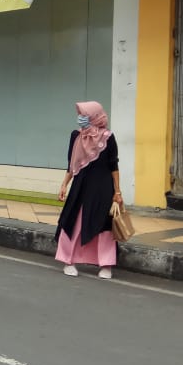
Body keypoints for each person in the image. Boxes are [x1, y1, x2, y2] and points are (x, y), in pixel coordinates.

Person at [55, 101, 121, 279]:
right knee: (73, 221)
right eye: (80, 115)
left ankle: (106, 264)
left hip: (103, 188)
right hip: (80, 186)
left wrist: (117, 192)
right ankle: (68, 261)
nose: (81, 118)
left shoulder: (108, 137)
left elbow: (114, 166)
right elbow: (71, 164)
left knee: (103, 225)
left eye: (84, 115)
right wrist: (64, 184)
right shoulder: (76, 136)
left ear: (95, 117)